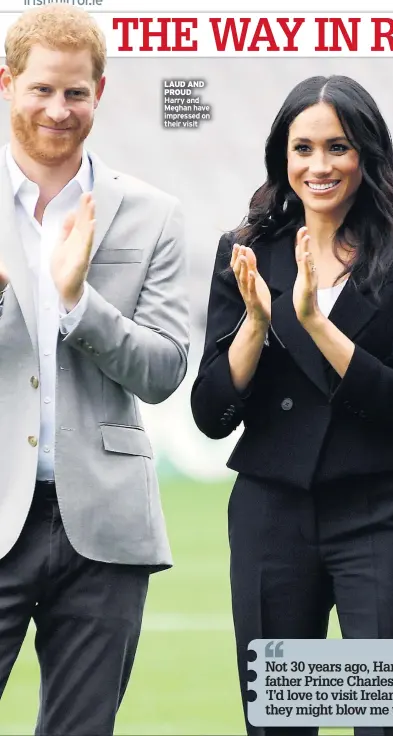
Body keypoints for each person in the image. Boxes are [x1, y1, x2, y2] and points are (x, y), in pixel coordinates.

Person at [191, 75, 393, 736]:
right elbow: (210, 413)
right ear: (282, 157)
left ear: (365, 154)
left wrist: (311, 319)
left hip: (379, 514)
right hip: (270, 514)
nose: (318, 165)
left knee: (391, 722)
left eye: (336, 147)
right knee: (278, 723)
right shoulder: (243, 252)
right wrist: (257, 324)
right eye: (301, 147)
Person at [0, 7, 189, 735]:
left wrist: (78, 301)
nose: (59, 109)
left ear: (99, 92)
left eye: (76, 93)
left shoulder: (153, 215)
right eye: (43, 90)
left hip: (105, 526)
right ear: (8, 83)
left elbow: (164, 369)